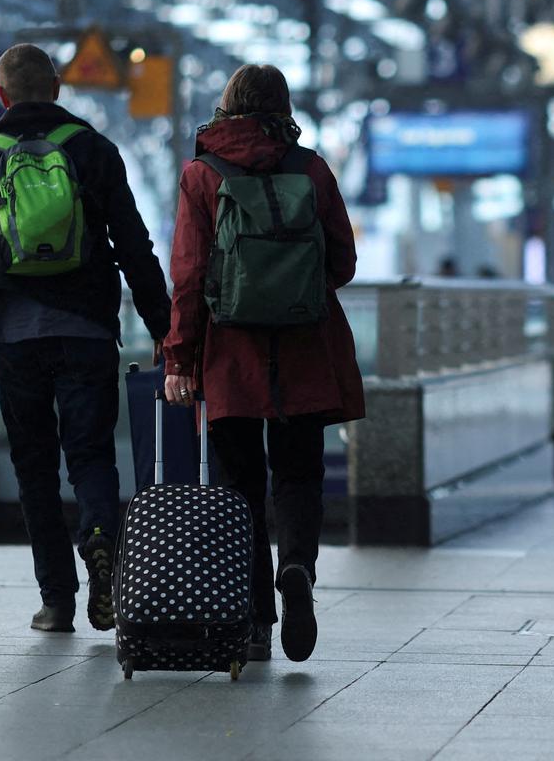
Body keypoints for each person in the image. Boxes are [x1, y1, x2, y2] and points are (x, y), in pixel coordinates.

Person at [0, 43, 171, 635]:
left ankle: (57, 600)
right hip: (85, 328)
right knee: (90, 454)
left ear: (3, 94)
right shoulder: (94, 151)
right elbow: (135, 245)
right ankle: (102, 536)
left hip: (12, 333)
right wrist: (164, 325)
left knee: (34, 465)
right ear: (57, 89)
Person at [163, 64, 365, 664]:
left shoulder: (202, 173)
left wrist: (179, 358)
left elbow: (190, 275)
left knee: (239, 487)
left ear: (227, 106)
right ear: (283, 108)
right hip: (305, 347)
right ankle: (297, 564)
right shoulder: (312, 169)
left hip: (230, 355)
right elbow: (344, 261)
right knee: (300, 473)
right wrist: (297, 289)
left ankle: (253, 620)